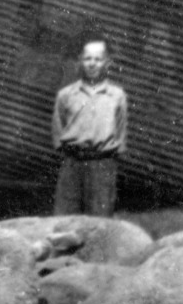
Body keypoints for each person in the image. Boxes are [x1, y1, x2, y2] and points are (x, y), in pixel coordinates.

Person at [49, 39, 127, 216]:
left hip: (103, 164)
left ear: (107, 63)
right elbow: (57, 127)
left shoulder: (117, 96)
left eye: (98, 60)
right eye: (88, 59)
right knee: (64, 218)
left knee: (100, 220)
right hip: (73, 163)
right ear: (80, 61)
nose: (92, 64)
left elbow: (120, 130)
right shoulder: (66, 95)